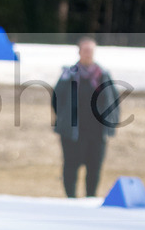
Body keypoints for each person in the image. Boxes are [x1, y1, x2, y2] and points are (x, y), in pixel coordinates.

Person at [52, 37, 121, 197]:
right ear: (79, 52)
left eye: (91, 50)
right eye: (85, 50)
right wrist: (63, 118)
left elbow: (114, 100)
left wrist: (111, 123)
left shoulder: (103, 74)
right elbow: (56, 98)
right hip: (72, 131)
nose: (88, 53)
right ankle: (71, 199)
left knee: (95, 166)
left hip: (97, 131)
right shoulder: (69, 74)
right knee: (71, 165)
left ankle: (91, 198)